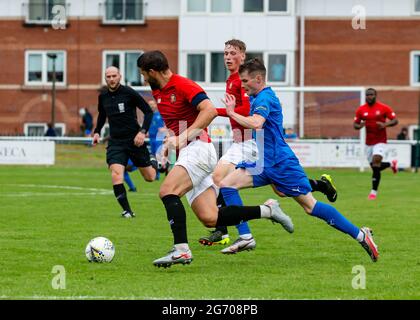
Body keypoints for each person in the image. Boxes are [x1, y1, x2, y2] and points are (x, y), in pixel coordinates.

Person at [137, 51, 296, 268]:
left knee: (167, 191)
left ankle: (181, 250)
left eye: (144, 74)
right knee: (210, 217)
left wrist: (182, 137)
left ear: (153, 71)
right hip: (189, 151)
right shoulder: (157, 89)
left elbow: (209, 110)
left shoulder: (183, 85)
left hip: (199, 149)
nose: (143, 79)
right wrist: (172, 142)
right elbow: (177, 119)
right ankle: (267, 210)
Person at [217, 58, 379, 262]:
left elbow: (257, 123)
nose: (242, 85)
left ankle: (361, 235)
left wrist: (230, 113)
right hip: (264, 163)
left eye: (245, 80)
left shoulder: (265, 98)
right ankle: (246, 236)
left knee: (310, 207)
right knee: (226, 185)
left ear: (258, 78)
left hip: (280, 164)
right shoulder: (257, 97)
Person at [198, 39, 338, 254]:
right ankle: (319, 185)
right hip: (242, 138)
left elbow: (250, 113)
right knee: (281, 190)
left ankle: (231, 231)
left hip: (251, 139)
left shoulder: (246, 83)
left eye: (232, 53)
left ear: (242, 56)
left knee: (220, 180)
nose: (227, 57)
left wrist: (214, 111)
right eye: (225, 53)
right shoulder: (233, 80)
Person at [92, 66, 158, 218]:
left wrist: (142, 132)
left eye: (114, 76)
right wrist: (96, 132)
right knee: (116, 175)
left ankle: (154, 161)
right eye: (108, 76)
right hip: (115, 142)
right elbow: (102, 115)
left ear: (120, 76)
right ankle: (127, 211)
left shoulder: (129, 92)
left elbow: (148, 111)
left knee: (150, 177)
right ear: (105, 78)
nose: (111, 79)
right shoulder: (103, 96)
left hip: (134, 140)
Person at [354, 88, 399, 200]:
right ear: (365, 96)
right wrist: (360, 125)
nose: (369, 96)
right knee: (375, 167)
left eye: (372, 94)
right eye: (368, 95)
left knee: (376, 161)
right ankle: (391, 164)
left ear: (375, 95)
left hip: (380, 141)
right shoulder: (361, 110)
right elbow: (355, 125)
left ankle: (373, 192)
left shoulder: (383, 108)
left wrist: (385, 125)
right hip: (368, 143)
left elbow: (395, 120)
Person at [147, 99, 168, 180]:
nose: (151, 106)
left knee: (158, 155)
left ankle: (158, 174)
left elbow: (167, 122)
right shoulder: (148, 115)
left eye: (152, 104)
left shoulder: (160, 114)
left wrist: (165, 128)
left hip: (159, 137)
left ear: (156, 105)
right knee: (153, 157)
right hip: (151, 138)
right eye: (150, 104)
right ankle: (155, 173)